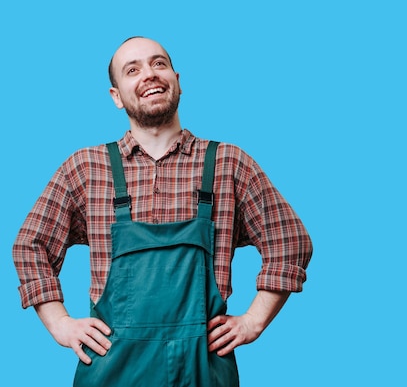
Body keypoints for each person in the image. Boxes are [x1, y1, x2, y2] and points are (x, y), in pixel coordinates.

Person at [12, 36, 313, 386]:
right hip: (111, 370)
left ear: (177, 81)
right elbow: (30, 246)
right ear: (116, 96)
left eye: (159, 64)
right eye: (132, 70)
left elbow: (291, 242)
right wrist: (60, 324)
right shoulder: (85, 168)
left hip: (203, 369)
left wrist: (253, 321)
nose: (149, 75)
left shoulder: (229, 163)